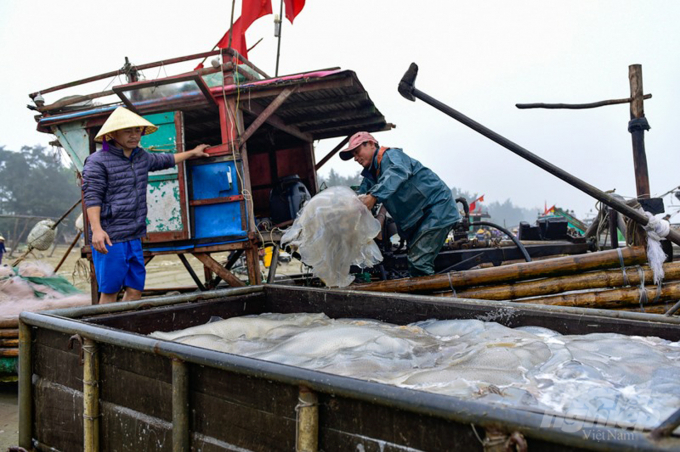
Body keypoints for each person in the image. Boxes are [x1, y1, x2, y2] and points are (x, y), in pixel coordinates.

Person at [82, 107, 210, 304]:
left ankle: (124, 329)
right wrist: (96, 230)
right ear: (112, 134)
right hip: (111, 237)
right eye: (128, 131)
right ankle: (102, 333)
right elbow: (92, 197)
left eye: (137, 131)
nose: (135, 136)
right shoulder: (97, 161)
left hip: (134, 235)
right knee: (109, 291)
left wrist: (193, 153)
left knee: (135, 291)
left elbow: (165, 160)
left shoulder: (141, 157)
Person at [340, 131, 460, 277]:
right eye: (353, 155)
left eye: (357, 151)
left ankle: (429, 299)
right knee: (416, 263)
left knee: (418, 263)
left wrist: (374, 196)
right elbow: (360, 196)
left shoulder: (391, 156)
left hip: (436, 209)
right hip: (420, 220)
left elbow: (398, 172)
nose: (356, 158)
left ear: (371, 144)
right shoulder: (371, 176)